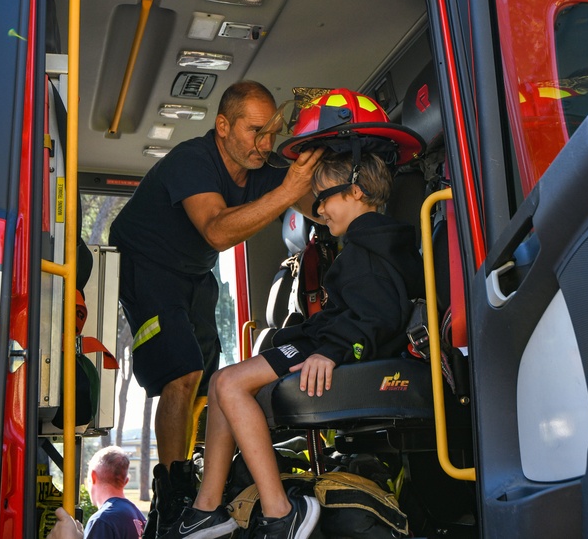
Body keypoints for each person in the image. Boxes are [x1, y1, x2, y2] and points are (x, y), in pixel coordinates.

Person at [162, 150, 424, 539]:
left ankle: (281, 512)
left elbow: (377, 317)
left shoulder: (373, 250)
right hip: (325, 340)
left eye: (324, 198)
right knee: (221, 382)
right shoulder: (364, 244)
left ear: (355, 191)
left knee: (230, 384)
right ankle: (207, 508)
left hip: (336, 348)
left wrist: (333, 351)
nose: (318, 210)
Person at [108, 81, 323, 537]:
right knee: (182, 373)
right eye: (255, 131)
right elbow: (217, 232)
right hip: (145, 265)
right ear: (223, 126)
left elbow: (315, 204)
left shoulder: (263, 167)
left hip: (193, 274)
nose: (266, 144)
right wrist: (288, 192)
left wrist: (338, 191)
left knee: (209, 381)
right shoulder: (193, 160)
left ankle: (205, 491)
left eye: (274, 133)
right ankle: (174, 497)